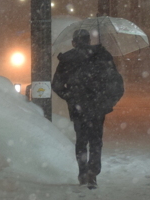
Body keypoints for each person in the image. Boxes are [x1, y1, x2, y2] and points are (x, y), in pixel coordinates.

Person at [51, 28, 124, 189]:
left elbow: (56, 85)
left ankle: (83, 173)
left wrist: (70, 96)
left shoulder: (68, 59)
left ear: (74, 42)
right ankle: (93, 171)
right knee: (96, 140)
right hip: (98, 107)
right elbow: (117, 83)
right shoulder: (102, 55)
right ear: (89, 40)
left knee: (81, 141)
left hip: (78, 108)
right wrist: (108, 101)